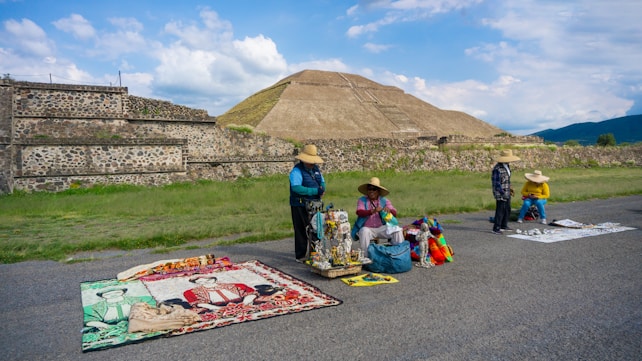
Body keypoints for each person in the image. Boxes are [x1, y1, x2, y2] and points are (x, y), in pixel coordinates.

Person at [289, 144, 326, 262]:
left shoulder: (316, 170)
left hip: (315, 204)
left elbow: (322, 181)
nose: (312, 163)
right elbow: (296, 188)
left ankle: (315, 253)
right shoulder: (296, 171)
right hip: (300, 204)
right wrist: (314, 191)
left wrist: (322, 189)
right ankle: (300, 255)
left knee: (316, 228)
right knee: (301, 229)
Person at [353, 177, 404, 256]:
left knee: (397, 230)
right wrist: (372, 211)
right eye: (369, 189)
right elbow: (359, 212)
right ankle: (366, 256)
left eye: (374, 189)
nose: (371, 191)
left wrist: (388, 210)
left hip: (381, 227)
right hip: (368, 228)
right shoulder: (362, 200)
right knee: (363, 232)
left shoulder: (384, 201)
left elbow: (394, 213)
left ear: (378, 191)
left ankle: (399, 254)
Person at [491, 149, 520, 234]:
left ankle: (504, 225)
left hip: (507, 191)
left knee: (507, 209)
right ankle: (496, 228)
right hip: (500, 192)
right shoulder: (497, 169)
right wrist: (502, 192)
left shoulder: (507, 166)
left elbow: (507, 179)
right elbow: (496, 183)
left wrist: (510, 188)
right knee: (500, 210)